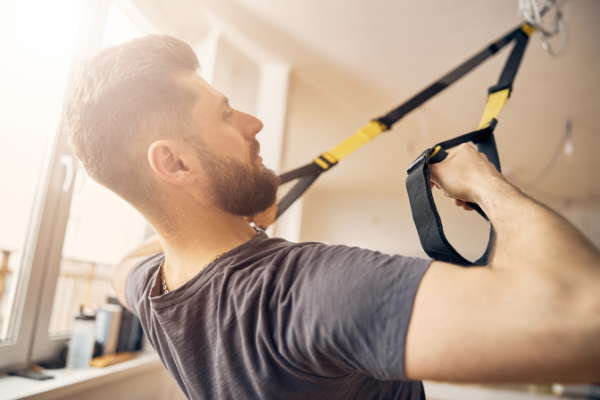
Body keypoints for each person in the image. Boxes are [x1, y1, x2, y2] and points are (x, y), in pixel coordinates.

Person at [65, 35, 600, 400]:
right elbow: (583, 319)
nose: (252, 123)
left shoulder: (152, 292)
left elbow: (127, 260)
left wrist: (230, 212)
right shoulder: (298, 292)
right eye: (226, 115)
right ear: (175, 163)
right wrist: (485, 181)